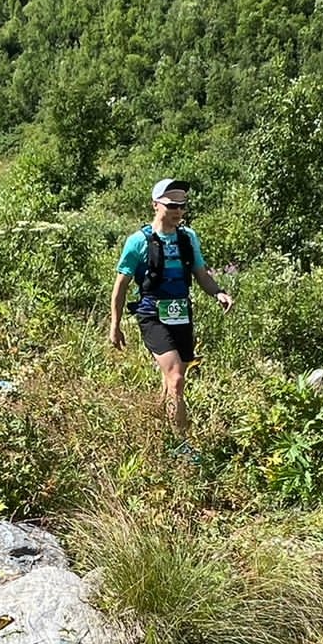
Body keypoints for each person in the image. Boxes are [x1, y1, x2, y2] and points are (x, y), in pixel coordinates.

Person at [110, 178, 234, 444]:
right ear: (156, 205)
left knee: (173, 379)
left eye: (182, 205)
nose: (178, 210)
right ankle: (181, 444)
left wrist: (218, 292)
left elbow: (200, 273)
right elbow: (121, 285)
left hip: (181, 312)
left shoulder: (188, 238)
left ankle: (158, 430)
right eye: (172, 205)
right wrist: (115, 324)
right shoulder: (137, 241)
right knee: (176, 377)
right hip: (151, 313)